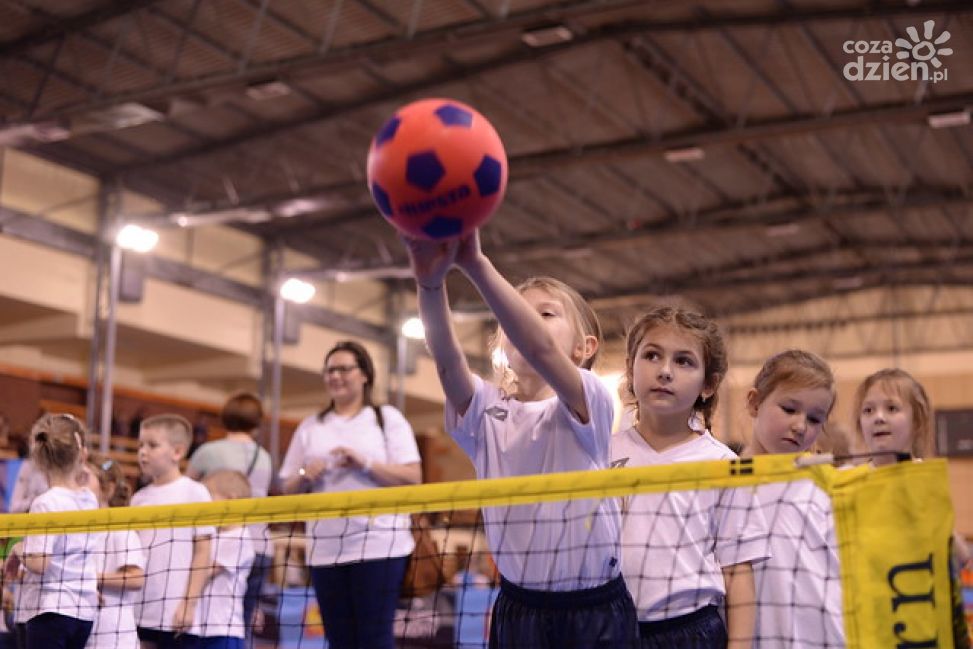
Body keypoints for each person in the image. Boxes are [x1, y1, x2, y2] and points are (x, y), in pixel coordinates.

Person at [404, 232, 639, 649]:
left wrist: (475, 263)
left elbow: (543, 349)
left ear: (585, 348)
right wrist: (429, 284)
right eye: (511, 317)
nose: (523, 324)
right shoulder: (484, 412)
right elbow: (446, 358)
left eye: (545, 313)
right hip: (519, 607)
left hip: (593, 610)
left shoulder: (589, 399)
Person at [610, 306, 768, 649]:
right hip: (610, 628)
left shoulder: (722, 464)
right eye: (652, 355)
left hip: (692, 631)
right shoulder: (601, 455)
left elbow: (738, 571)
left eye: (684, 361)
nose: (665, 371)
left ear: (708, 386)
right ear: (630, 368)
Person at [278, 340, 422, 649]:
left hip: (380, 545)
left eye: (344, 368)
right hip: (325, 549)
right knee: (340, 641)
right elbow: (286, 486)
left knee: (374, 639)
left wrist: (365, 463)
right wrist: (305, 475)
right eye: (329, 370)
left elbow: (413, 477)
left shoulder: (387, 419)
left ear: (365, 375)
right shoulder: (311, 426)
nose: (335, 376)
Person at [742, 350, 844, 647]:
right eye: (789, 409)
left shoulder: (826, 488)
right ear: (754, 402)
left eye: (815, 419)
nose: (801, 426)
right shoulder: (721, 483)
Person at [3, 414, 99, 649]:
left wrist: (16, 548)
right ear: (82, 453)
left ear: (39, 458)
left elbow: (39, 563)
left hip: (50, 611)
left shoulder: (45, 503)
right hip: (83, 612)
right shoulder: (89, 499)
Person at [187, 393, 272, 641]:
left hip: (221, 545)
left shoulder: (208, 451)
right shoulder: (264, 456)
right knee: (241, 627)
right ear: (257, 423)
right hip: (260, 545)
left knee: (211, 621)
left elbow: (186, 490)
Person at [130, 414, 214, 649]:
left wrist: (189, 602)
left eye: (152, 445)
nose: (143, 452)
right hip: (141, 610)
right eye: (140, 445)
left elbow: (203, 552)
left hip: (176, 615)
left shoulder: (195, 493)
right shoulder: (139, 499)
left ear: (177, 452)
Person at [189, 470, 256, 649]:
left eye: (208, 497)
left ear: (230, 500)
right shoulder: (211, 535)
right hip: (199, 628)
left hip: (223, 630)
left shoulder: (239, 537)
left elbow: (204, 572)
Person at [85, 455, 146, 649]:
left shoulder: (120, 530)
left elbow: (136, 579)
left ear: (108, 487)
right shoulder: (81, 528)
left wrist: (91, 578)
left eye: (85, 479)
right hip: (86, 628)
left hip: (114, 634)